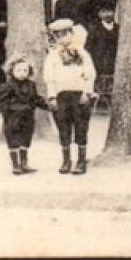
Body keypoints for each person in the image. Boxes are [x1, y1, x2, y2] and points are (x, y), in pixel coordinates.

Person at [42, 18, 97, 176]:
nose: (62, 38)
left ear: (72, 34)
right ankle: (66, 159)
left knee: (81, 126)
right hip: (61, 95)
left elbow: (90, 74)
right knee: (63, 126)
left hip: (79, 94)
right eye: (58, 36)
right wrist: (52, 96)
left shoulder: (82, 53)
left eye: (65, 34)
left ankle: (81, 160)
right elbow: (49, 77)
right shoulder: (53, 56)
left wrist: (87, 92)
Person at [0, 56, 48, 176]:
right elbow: (2, 102)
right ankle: (15, 165)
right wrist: (7, 112)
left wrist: (47, 105)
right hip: (13, 117)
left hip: (28, 116)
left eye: (25, 70)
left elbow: (35, 98)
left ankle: (24, 163)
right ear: (12, 71)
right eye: (18, 70)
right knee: (13, 140)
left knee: (26, 138)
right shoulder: (7, 86)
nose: (22, 73)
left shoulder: (31, 85)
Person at [86, 3, 119, 82]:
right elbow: (88, 49)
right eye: (104, 12)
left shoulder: (118, 29)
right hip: (100, 68)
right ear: (100, 14)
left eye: (110, 11)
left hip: (115, 65)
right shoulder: (95, 29)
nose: (107, 14)